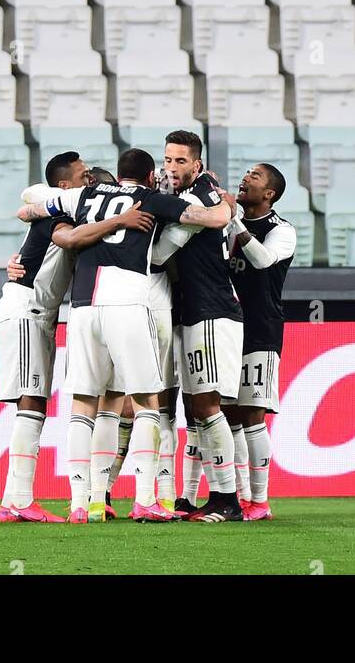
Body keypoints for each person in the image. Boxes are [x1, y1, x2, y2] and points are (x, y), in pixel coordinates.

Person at [18, 148, 232, 522]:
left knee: (85, 404)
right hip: (128, 302)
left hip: (83, 305)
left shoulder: (82, 195)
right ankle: (147, 497)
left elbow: (28, 208)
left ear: (118, 175)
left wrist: (48, 212)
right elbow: (211, 218)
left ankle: (82, 503)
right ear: (151, 175)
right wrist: (224, 201)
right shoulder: (150, 199)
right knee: (149, 401)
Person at [0, 153, 143, 522]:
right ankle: (18, 501)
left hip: (37, 313)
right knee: (31, 405)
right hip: (27, 308)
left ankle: (15, 500)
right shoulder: (57, 212)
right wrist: (120, 219)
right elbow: (66, 235)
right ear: (64, 186)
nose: (89, 178)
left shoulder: (64, 207)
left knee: (34, 404)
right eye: (83, 175)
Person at [157, 130, 245, 523]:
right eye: (167, 160)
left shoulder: (199, 197)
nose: (172, 168)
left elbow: (160, 253)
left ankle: (228, 500)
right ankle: (204, 498)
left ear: (197, 164)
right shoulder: (199, 193)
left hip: (210, 311)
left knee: (209, 405)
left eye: (180, 162)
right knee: (197, 409)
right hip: (193, 311)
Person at [222, 163, 295, 521]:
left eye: (255, 176)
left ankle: (261, 501)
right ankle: (241, 496)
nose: (246, 178)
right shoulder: (224, 221)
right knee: (228, 414)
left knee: (253, 413)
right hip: (225, 327)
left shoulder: (282, 230)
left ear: (269, 194)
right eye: (246, 173)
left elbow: (263, 261)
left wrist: (234, 222)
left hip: (261, 328)